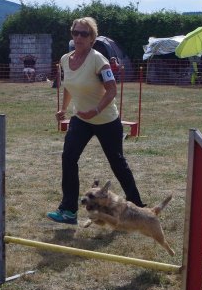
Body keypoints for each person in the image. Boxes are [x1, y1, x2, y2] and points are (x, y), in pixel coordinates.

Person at [47, 17, 145, 225]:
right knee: (68, 158)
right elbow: (68, 86)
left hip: (106, 119)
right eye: (76, 33)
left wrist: (97, 109)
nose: (79, 37)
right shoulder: (66, 59)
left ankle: (137, 206)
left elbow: (112, 89)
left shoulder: (98, 59)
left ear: (92, 38)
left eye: (84, 34)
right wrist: (63, 109)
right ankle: (68, 210)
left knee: (117, 162)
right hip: (81, 119)